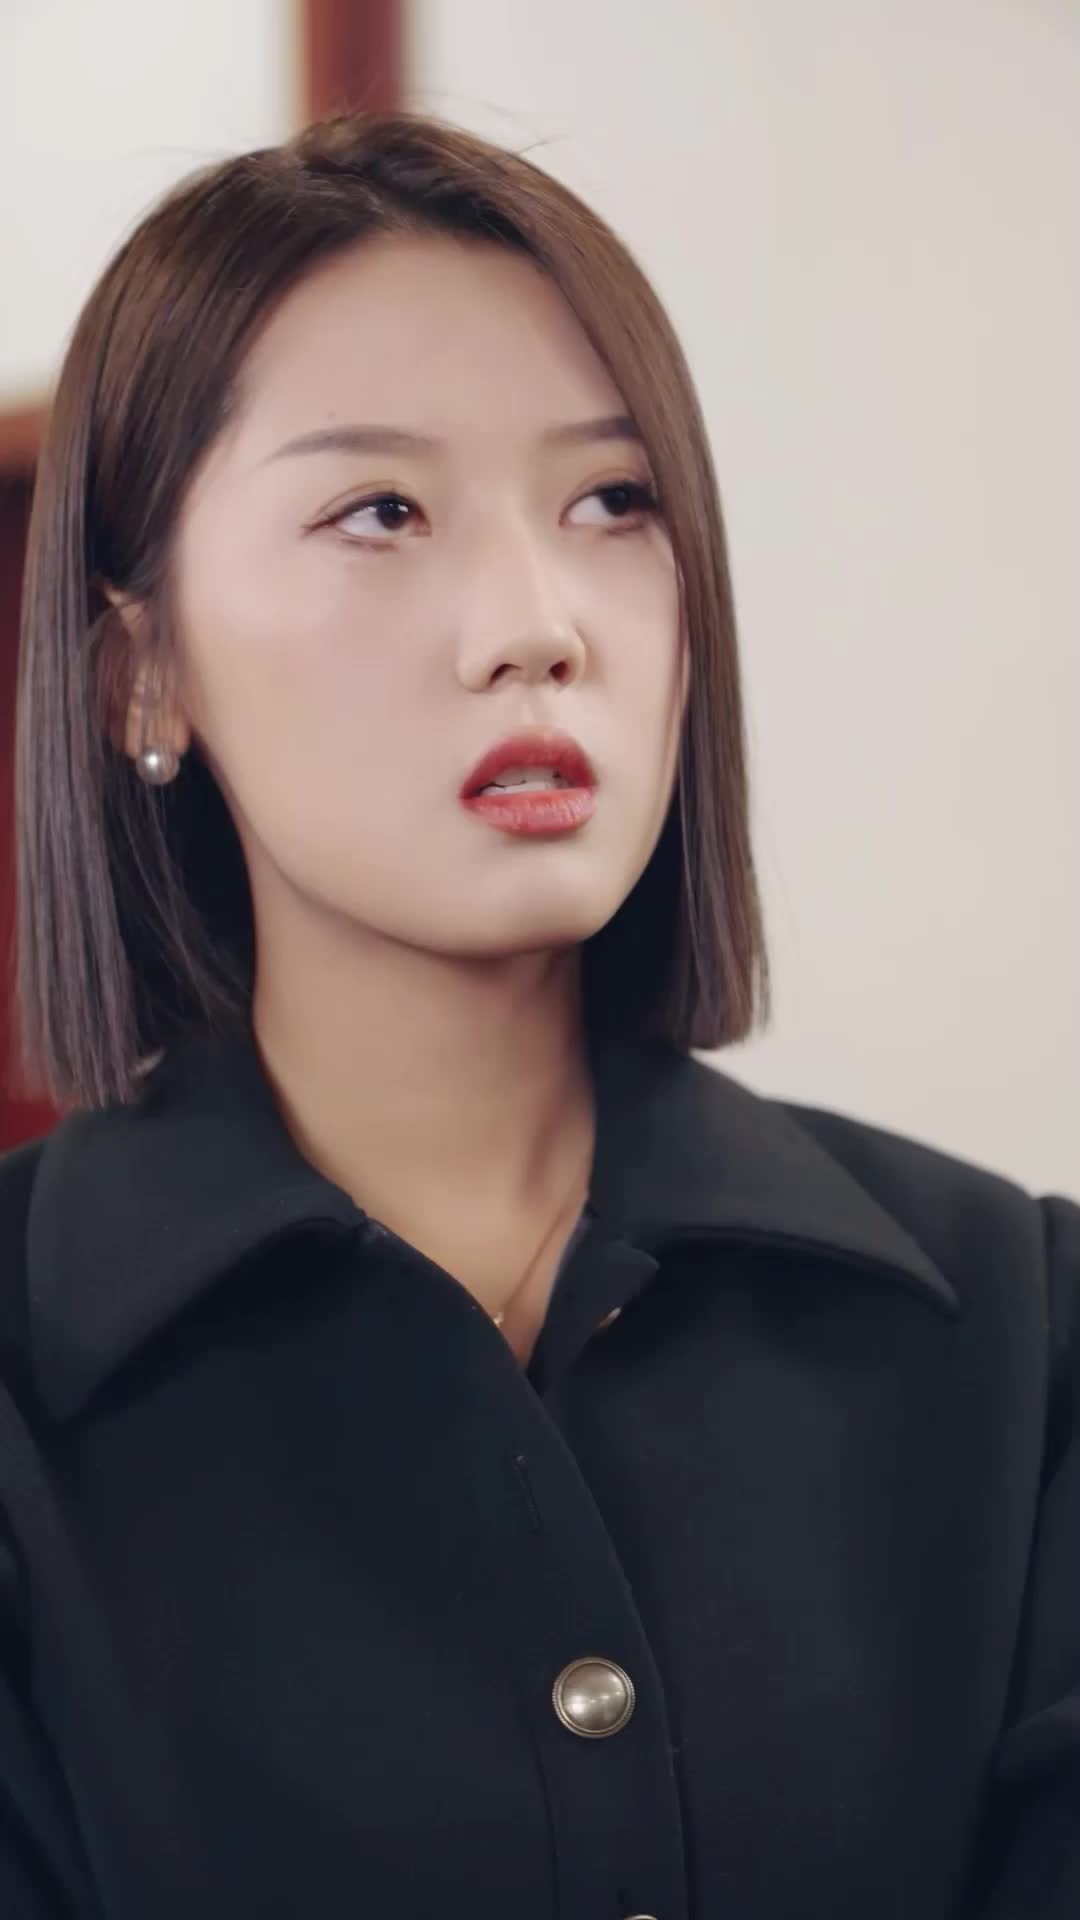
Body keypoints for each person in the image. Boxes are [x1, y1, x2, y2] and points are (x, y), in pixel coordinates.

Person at [0, 107, 1076, 1920]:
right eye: (382, 512)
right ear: (140, 671)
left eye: (612, 502)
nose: (535, 623)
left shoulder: (1022, 1336)